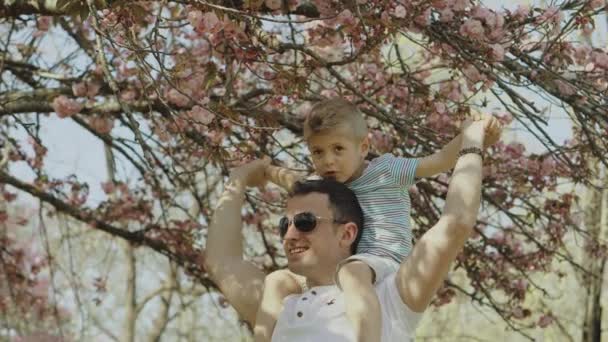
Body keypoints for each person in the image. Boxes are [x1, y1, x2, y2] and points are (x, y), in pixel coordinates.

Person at [204, 117, 493, 341]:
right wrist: (238, 180)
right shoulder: (281, 304)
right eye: (285, 225)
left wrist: (471, 142)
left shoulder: (389, 297)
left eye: (306, 223)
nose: (290, 235)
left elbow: (455, 224)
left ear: (347, 233)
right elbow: (221, 262)